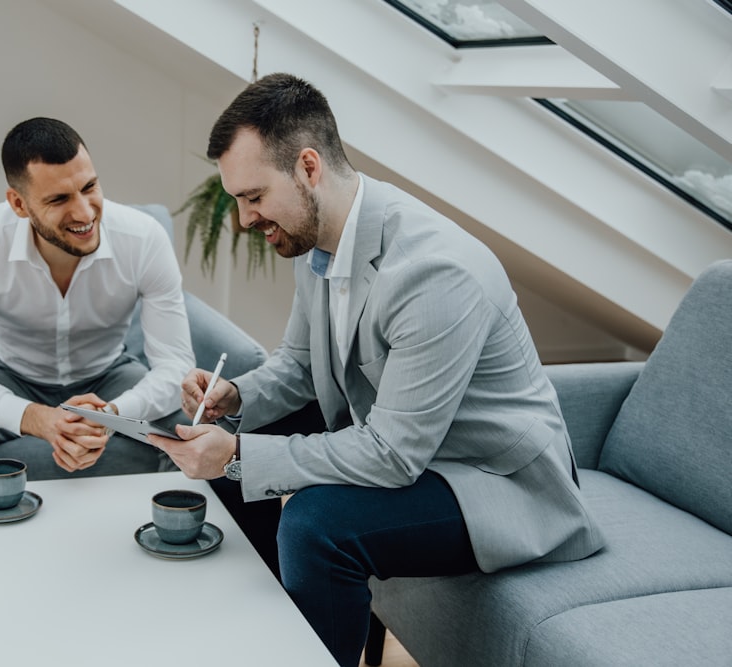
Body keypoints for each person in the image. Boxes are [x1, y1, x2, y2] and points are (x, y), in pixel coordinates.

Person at [149, 74, 604, 667]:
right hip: (421, 446)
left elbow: (393, 454)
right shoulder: (314, 242)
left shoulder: (433, 271)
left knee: (316, 523)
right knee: (238, 436)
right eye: (237, 199)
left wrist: (235, 458)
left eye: (253, 196)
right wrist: (231, 398)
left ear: (308, 168)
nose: (242, 218)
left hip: (494, 480)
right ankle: (269, 628)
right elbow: (298, 366)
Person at [0, 117, 194, 488]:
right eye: (59, 199)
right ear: (18, 203)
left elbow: (176, 367)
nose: (84, 213)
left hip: (109, 376)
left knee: (187, 430)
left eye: (89, 187)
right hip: (11, 376)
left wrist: (111, 414)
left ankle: (173, 540)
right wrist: (37, 418)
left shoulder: (144, 239)